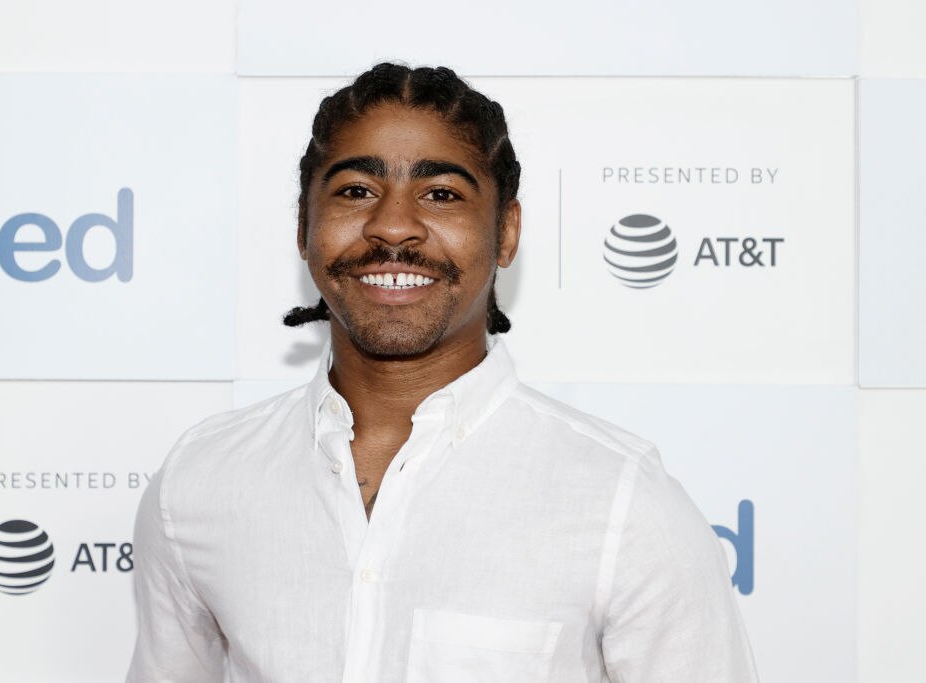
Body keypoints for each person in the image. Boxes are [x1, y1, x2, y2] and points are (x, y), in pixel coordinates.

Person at [126, 63, 759, 682]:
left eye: (440, 194)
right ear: (303, 227)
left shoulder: (624, 502)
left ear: (506, 232)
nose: (393, 226)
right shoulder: (200, 482)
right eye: (355, 191)